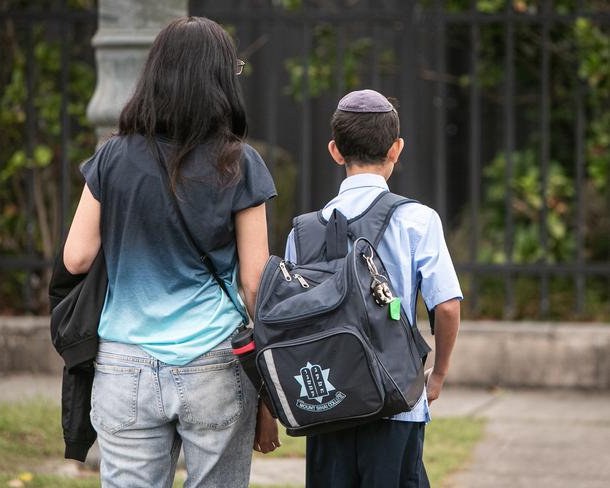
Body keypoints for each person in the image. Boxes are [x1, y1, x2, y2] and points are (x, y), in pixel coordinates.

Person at [63, 16, 280, 488]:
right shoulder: (239, 162)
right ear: (221, 81)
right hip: (214, 360)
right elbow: (255, 281)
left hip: (123, 363)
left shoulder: (112, 156)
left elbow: (76, 257)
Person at [284, 89, 462, 488]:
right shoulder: (418, 220)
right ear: (396, 149)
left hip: (327, 403)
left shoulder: (303, 230)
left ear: (335, 150)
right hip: (396, 400)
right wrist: (438, 378)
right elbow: (447, 307)